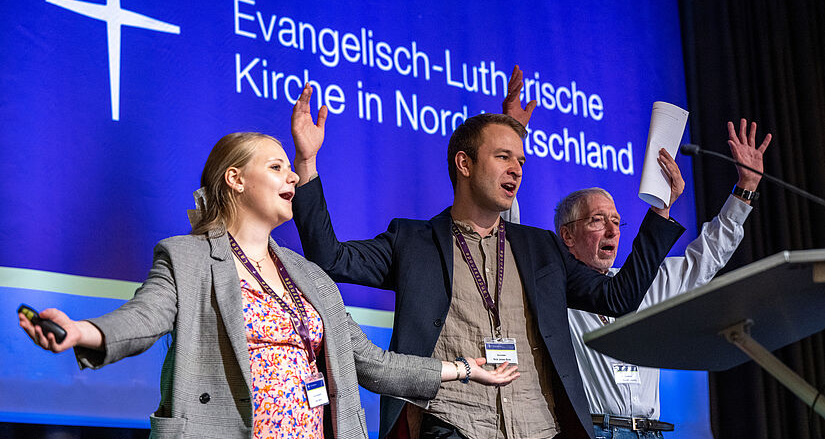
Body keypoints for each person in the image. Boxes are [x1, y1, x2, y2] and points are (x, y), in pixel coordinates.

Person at [18, 129, 519, 439]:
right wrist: (85, 332)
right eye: (276, 167)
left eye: (290, 168)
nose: (292, 178)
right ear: (235, 179)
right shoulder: (187, 257)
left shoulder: (309, 277)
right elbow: (144, 317)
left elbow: (370, 362)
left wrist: (464, 370)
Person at [290, 78, 686, 438]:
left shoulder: (542, 248)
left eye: (521, 161)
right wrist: (307, 164)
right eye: (503, 158)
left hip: (539, 427)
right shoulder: (413, 242)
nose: (516, 169)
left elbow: (619, 298)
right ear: (464, 163)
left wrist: (661, 213)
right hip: (453, 422)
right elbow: (330, 259)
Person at [555, 119, 771, 439]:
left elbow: (707, 257)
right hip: (592, 431)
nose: (613, 230)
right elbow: (507, 240)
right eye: (598, 221)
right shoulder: (553, 290)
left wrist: (746, 189)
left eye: (617, 221)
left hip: (651, 432)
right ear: (568, 235)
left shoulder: (645, 283)